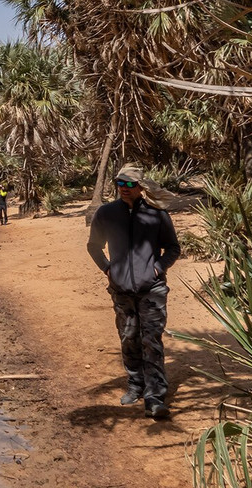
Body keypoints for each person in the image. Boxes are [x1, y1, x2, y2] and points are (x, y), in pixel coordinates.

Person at [87, 164, 181, 420]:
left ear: (141, 187)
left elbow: (173, 248)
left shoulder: (156, 213)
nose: (124, 188)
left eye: (130, 184)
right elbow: (94, 246)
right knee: (129, 338)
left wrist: (157, 269)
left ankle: (155, 396)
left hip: (152, 289)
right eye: (120, 183)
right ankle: (135, 385)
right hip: (121, 290)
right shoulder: (106, 213)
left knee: (151, 340)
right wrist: (108, 269)